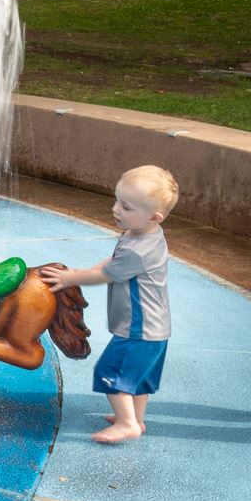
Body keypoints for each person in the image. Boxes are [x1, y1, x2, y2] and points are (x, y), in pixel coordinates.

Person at [39, 165, 179, 444]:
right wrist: (81, 271)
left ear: (154, 216)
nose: (116, 209)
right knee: (137, 379)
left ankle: (127, 423)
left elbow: (105, 274)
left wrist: (70, 277)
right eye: (116, 200)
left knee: (110, 373)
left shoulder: (138, 250)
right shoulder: (145, 233)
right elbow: (114, 262)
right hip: (154, 328)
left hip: (138, 329)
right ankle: (135, 419)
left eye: (126, 207)